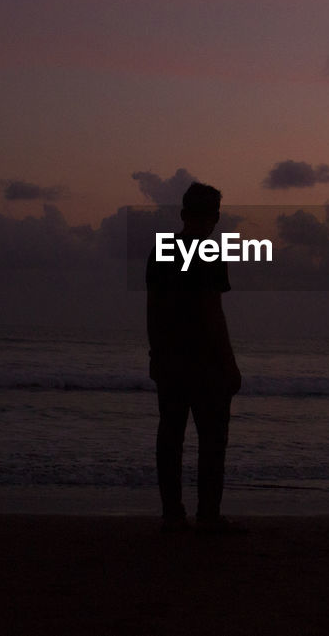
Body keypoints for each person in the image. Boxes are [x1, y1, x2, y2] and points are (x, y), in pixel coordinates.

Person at [146, 182, 245, 534]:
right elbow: (212, 313)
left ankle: (174, 513)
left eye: (214, 216)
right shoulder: (210, 255)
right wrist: (230, 364)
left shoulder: (161, 252)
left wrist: (156, 353)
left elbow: (153, 310)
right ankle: (205, 514)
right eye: (211, 215)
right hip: (203, 363)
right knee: (211, 440)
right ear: (191, 215)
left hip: (173, 360)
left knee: (172, 438)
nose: (212, 223)